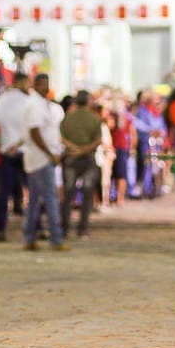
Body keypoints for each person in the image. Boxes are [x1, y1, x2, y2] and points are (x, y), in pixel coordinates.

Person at [20, 73, 66, 252]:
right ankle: (56, 238)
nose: (46, 88)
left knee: (34, 201)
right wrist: (50, 153)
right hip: (41, 158)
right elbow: (35, 132)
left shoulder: (40, 103)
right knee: (50, 199)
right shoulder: (35, 104)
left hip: (38, 158)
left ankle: (29, 236)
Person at [0, 72, 32, 242]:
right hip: (25, 151)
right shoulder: (28, 101)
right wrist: (18, 144)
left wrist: (2, 142)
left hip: (6, 152)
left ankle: (0, 228)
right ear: (23, 82)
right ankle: (35, 229)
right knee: (32, 191)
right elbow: (32, 128)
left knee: (4, 192)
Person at [58, 90, 103, 241]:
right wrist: (84, 150)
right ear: (89, 102)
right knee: (87, 195)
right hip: (88, 160)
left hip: (70, 159)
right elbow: (98, 141)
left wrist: (74, 149)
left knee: (68, 195)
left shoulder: (68, 119)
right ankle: (83, 229)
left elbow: (61, 138)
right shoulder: (95, 119)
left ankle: (64, 228)